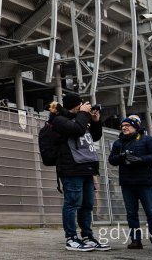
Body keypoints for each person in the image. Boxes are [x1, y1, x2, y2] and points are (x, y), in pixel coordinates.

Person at [48, 93, 109, 252]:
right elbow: (77, 130)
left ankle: (87, 237)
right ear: (75, 106)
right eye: (81, 105)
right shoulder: (59, 120)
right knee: (72, 202)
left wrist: (95, 122)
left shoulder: (82, 119)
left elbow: (93, 136)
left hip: (86, 168)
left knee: (87, 205)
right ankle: (71, 238)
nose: (86, 107)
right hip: (71, 168)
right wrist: (83, 113)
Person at [108, 115, 152, 251]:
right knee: (131, 213)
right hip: (127, 183)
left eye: (128, 125)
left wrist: (140, 159)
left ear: (136, 127)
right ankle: (135, 241)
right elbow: (111, 160)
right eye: (123, 126)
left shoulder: (147, 140)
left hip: (145, 182)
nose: (124, 127)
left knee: (151, 213)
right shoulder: (118, 143)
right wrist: (120, 157)